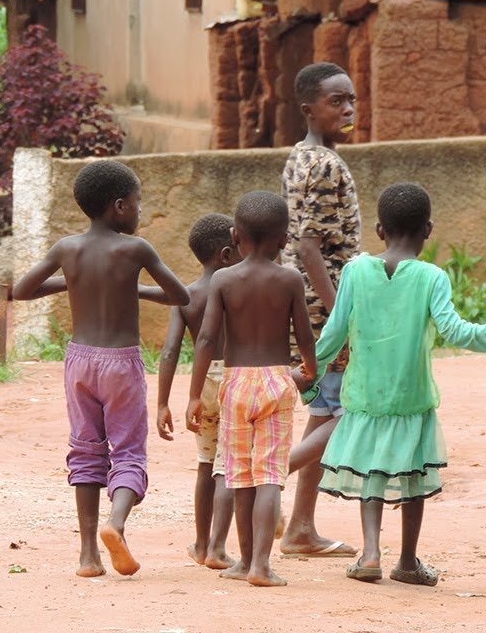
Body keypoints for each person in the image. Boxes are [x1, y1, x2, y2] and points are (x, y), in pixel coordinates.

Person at [299, 183, 486, 586]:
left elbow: (332, 334)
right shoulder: (432, 277)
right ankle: (408, 560)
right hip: (412, 397)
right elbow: (457, 332)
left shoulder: (356, 271)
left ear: (378, 229)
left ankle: (370, 553)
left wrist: (308, 378)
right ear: (428, 230)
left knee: (372, 472)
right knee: (413, 477)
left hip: (365, 395)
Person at [13, 159, 190, 578]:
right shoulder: (136, 249)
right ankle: (117, 524)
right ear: (119, 207)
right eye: (137, 202)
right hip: (121, 363)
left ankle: (88, 556)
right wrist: (134, 286)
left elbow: (22, 290)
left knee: (87, 449)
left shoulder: (66, 248)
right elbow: (179, 295)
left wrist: (75, 279)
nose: (140, 210)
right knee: (127, 450)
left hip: (78, 361)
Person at [187, 191, 316, 587]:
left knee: (239, 475)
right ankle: (262, 565)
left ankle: (243, 562)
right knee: (270, 477)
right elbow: (303, 331)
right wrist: (310, 366)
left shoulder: (224, 279)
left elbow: (207, 340)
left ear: (235, 235)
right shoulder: (290, 278)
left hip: (236, 382)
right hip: (276, 381)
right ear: (284, 239)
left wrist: (194, 394)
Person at [278, 61, 362, 558]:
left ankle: (300, 528)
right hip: (325, 310)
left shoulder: (302, 156)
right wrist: (342, 319)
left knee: (326, 411)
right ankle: (256, 481)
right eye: (337, 101)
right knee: (356, 409)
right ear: (310, 109)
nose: (348, 108)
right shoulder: (325, 165)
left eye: (351, 99)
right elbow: (311, 249)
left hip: (314, 308)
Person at [156, 212, 241, 571]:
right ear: (225, 253)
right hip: (238, 379)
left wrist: (163, 402)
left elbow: (171, 350)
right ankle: (219, 548)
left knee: (206, 464)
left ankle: (202, 544)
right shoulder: (239, 288)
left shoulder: (186, 295)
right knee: (229, 466)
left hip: (202, 384)